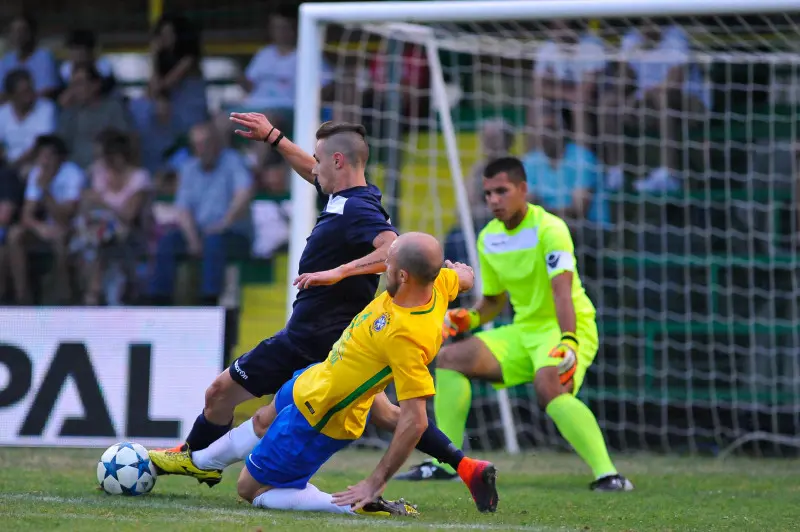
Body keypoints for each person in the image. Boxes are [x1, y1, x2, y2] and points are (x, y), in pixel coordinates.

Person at [149, 113, 496, 512]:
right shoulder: (343, 195)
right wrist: (275, 139)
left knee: (222, 393)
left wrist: (339, 271)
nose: (313, 167)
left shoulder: (361, 211)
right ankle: (466, 464)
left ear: (338, 162)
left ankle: (195, 458)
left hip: (316, 336)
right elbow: (313, 173)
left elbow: (391, 246)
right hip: (338, 335)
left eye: (319, 159)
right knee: (381, 413)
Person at [150, 234, 497, 515]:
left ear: (404, 275)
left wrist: (375, 480)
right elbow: (461, 278)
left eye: (388, 264)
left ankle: (354, 507)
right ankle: (198, 462)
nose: (383, 267)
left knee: (249, 489)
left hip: (324, 413)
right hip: (317, 376)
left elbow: (415, 420)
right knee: (262, 418)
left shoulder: (408, 336)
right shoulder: (437, 284)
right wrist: (464, 275)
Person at [395, 157, 634, 493]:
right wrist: (469, 317)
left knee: (548, 386)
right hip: (525, 331)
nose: (494, 200)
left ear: (523, 190)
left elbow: (561, 291)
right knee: (451, 358)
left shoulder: (550, 228)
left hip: (569, 326)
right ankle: (442, 464)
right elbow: (493, 301)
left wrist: (569, 340)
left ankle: (609, 476)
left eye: (502, 191)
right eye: (488, 193)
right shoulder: (488, 237)